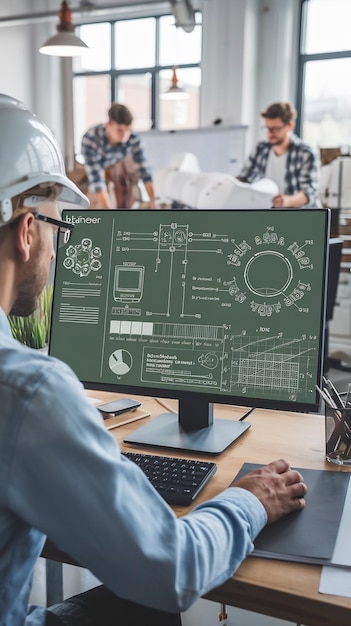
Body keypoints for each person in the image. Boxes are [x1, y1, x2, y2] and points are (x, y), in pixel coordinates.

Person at [0, 93, 307, 625]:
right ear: (27, 232)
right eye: (55, 227)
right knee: (149, 608)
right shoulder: (27, 390)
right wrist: (251, 498)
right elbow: (172, 571)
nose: (55, 248)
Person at [237, 101, 320, 208]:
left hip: (298, 217)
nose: (270, 133)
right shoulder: (260, 149)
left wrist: (286, 201)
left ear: (290, 126)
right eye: (267, 128)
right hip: (269, 215)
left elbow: (310, 193)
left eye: (275, 129)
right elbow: (244, 179)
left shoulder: (306, 154)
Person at [81, 103, 157, 209]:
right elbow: (97, 181)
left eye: (127, 130)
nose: (124, 135)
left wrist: (153, 202)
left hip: (119, 165)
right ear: (109, 124)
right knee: (95, 201)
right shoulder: (91, 138)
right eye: (120, 130)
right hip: (96, 168)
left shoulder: (133, 138)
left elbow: (144, 171)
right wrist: (111, 217)